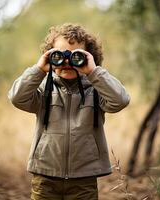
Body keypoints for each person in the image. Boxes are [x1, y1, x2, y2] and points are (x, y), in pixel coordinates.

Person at [8, 23, 130, 200]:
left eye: (76, 56)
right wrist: (39, 69)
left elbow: (121, 100)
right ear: (49, 56)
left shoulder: (96, 90)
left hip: (84, 178)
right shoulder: (43, 90)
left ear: (89, 57)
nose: (67, 62)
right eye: (59, 54)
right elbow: (16, 97)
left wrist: (94, 72)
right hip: (45, 176)